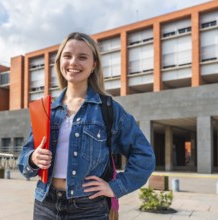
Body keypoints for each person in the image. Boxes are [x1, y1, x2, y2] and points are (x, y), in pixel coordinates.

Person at [18, 32, 155, 219]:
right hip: (45, 204)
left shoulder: (110, 110)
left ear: (93, 65)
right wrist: (33, 158)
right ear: (59, 62)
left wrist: (114, 187)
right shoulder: (47, 109)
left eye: (82, 57)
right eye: (67, 56)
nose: (73, 62)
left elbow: (144, 156)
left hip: (89, 208)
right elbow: (25, 155)